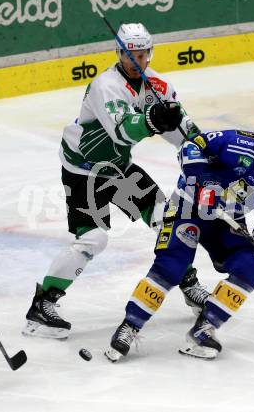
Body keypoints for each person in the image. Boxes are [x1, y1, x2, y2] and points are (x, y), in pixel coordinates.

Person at [22, 23, 209, 339]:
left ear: (149, 52)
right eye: (130, 53)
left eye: (142, 52)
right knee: (94, 239)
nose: (137, 59)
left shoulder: (159, 86)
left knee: (168, 220)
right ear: (120, 53)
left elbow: (184, 133)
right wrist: (152, 119)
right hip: (85, 171)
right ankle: (43, 304)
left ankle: (189, 284)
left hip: (119, 167)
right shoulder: (105, 86)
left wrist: (205, 152)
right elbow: (121, 130)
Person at [104, 111, 254, 361]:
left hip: (227, 222)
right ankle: (130, 325)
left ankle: (204, 328)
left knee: (252, 267)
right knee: (171, 265)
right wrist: (203, 181)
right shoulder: (237, 142)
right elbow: (191, 145)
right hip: (187, 207)